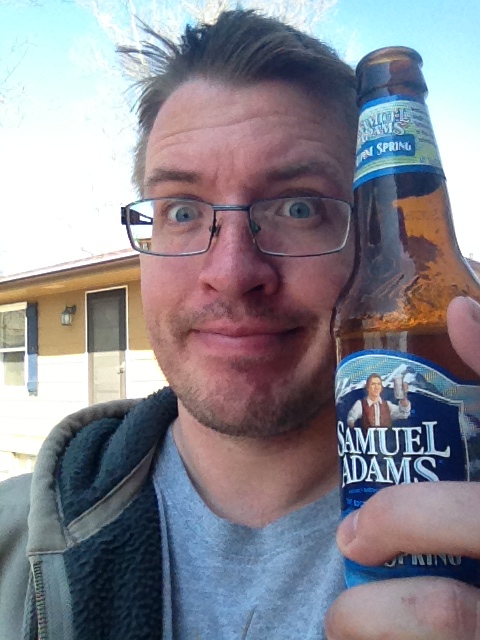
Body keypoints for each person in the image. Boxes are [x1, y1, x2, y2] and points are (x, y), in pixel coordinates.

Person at [1, 9, 480, 640]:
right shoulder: (12, 546)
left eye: (299, 208)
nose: (230, 273)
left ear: (378, 236)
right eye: (181, 211)